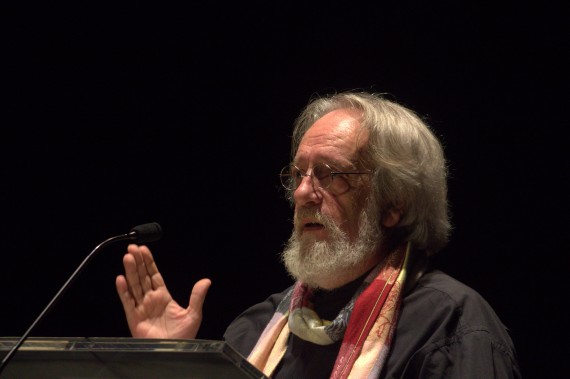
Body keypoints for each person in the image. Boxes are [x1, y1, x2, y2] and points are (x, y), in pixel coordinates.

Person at [115, 91, 521, 378]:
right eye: (298, 175)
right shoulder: (256, 329)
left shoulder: (451, 323)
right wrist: (169, 363)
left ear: (394, 202)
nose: (304, 193)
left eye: (331, 175)